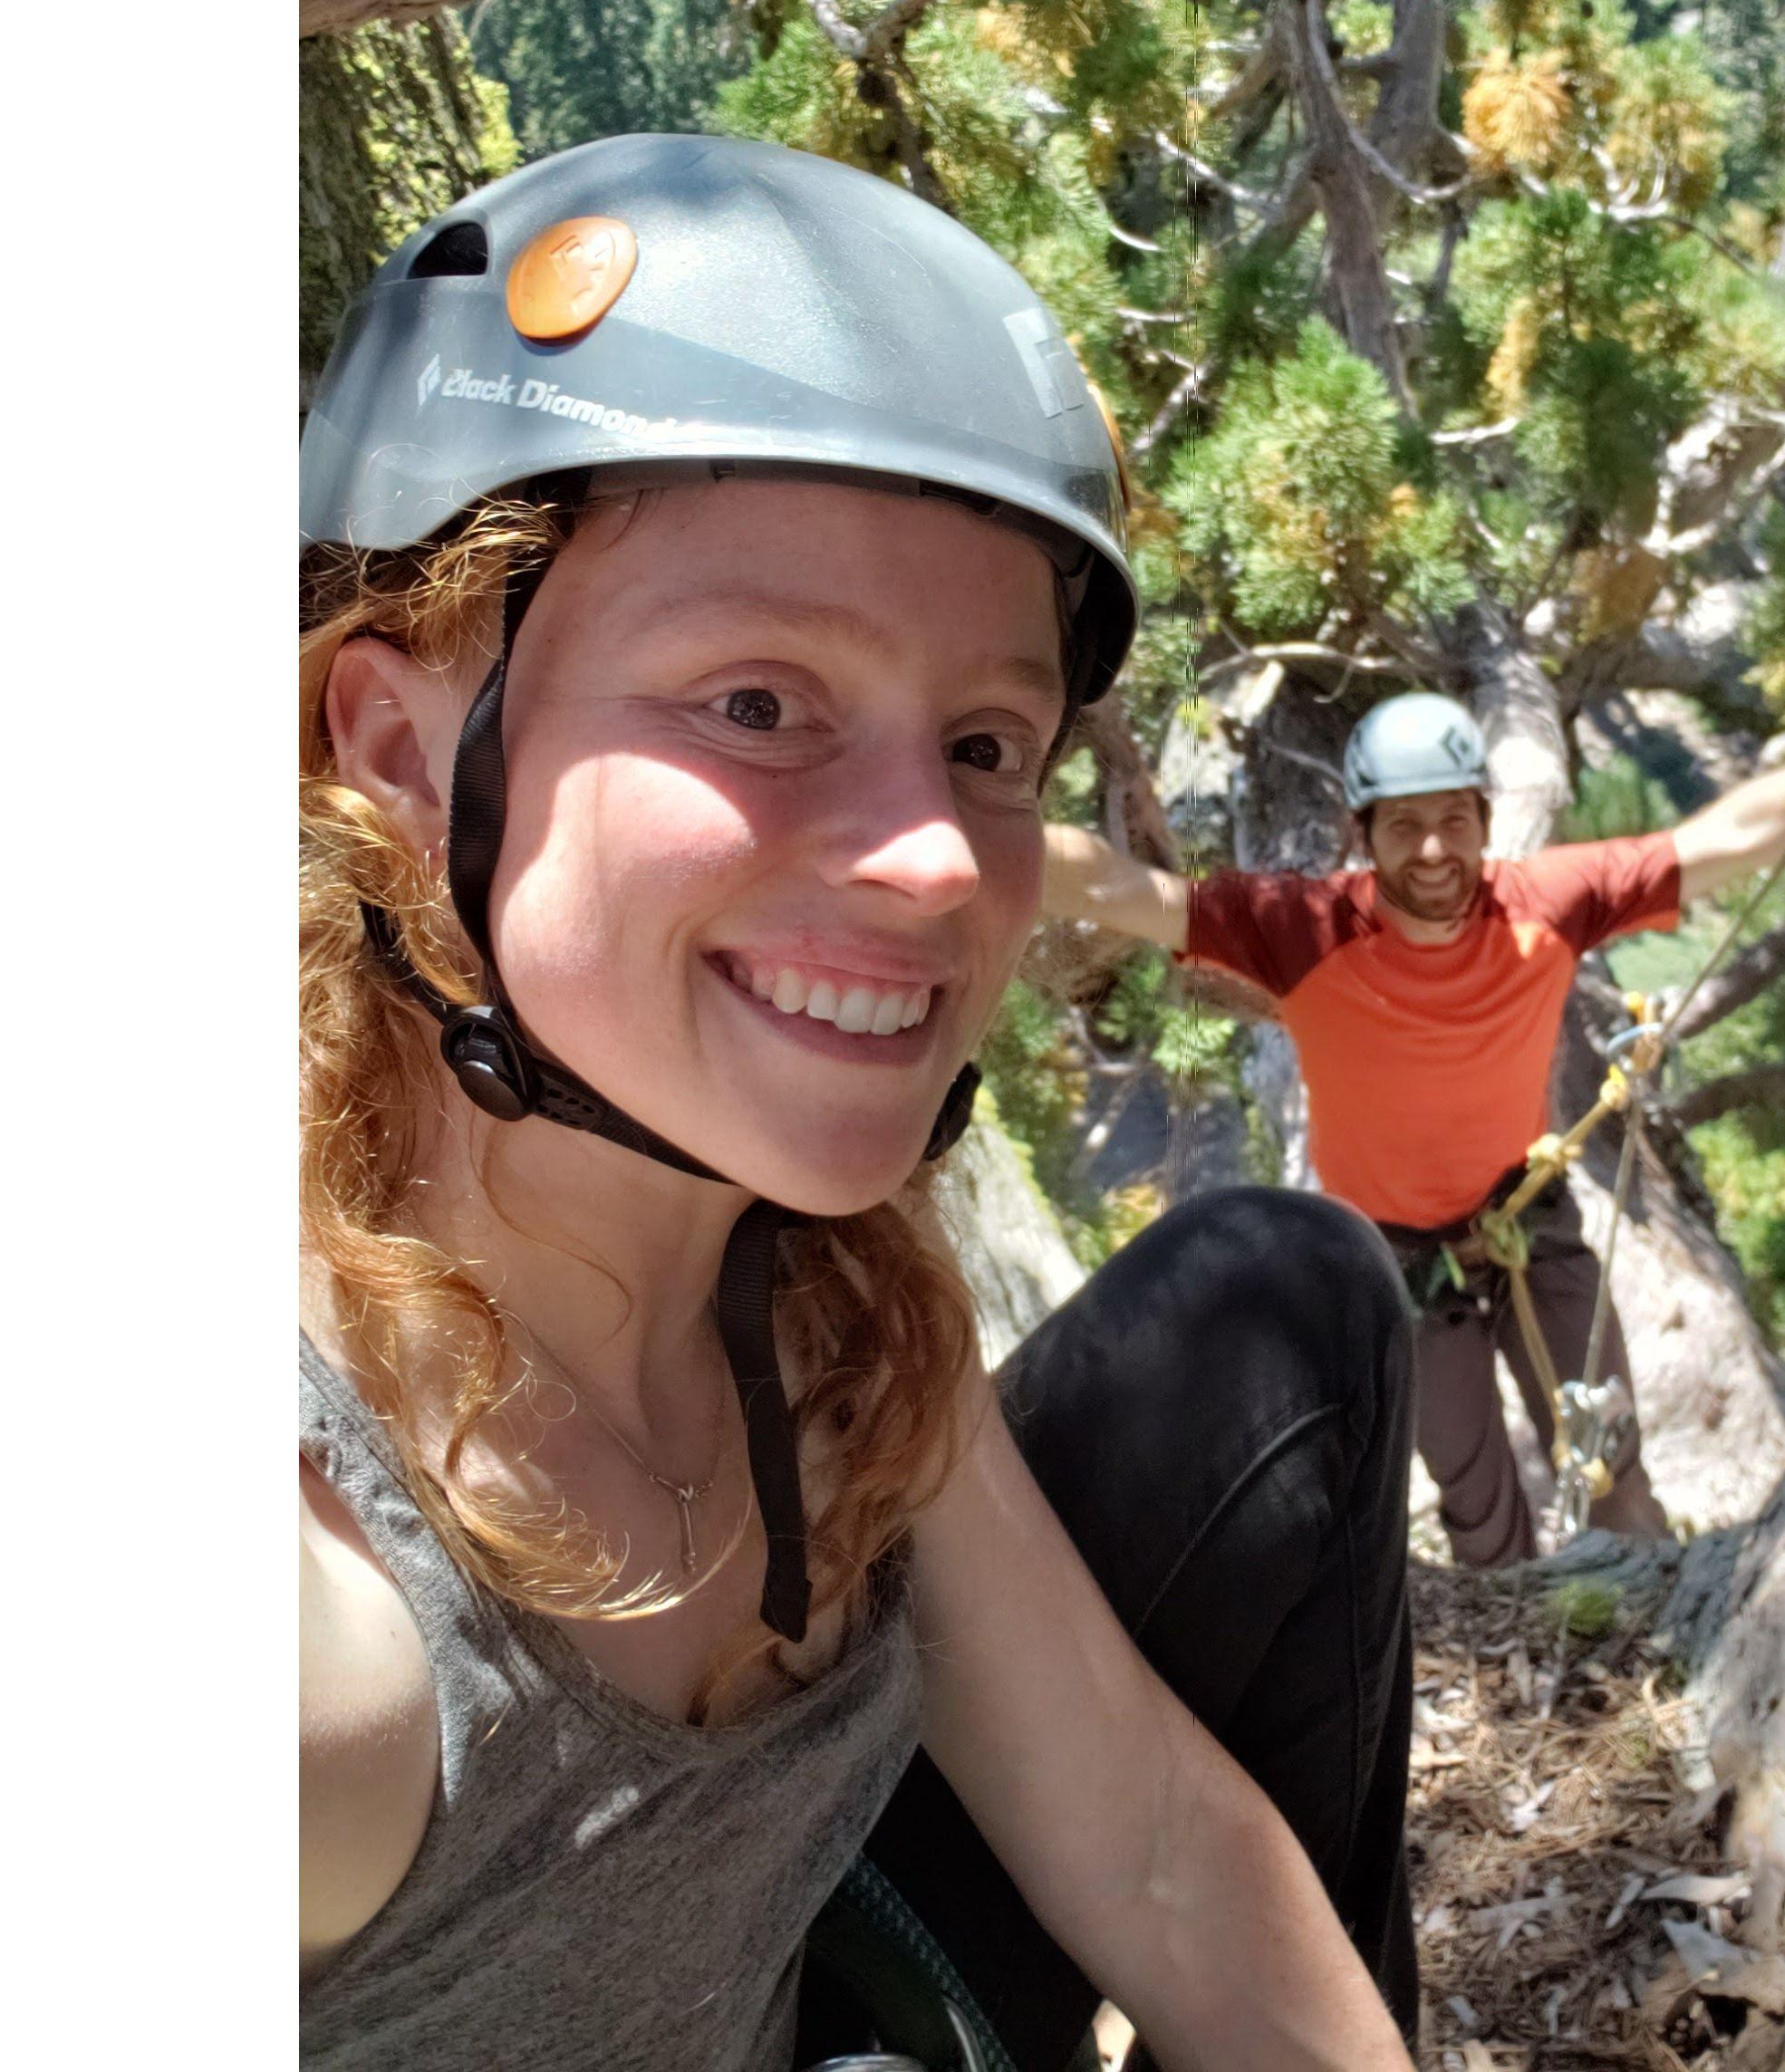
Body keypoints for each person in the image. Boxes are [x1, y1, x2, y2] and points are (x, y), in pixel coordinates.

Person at [297, 133, 1420, 2072]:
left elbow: (1158, 1851)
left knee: (1282, 1308)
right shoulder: (322, 1648)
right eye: (759, 704)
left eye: (987, 743)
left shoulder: (808, 1287)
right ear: (401, 752)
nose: (934, 859)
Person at [1041, 644, 1785, 1566]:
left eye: (1454, 820)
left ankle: (1641, 1627)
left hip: (1528, 1216)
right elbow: (1121, 888)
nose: (1434, 849)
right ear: (1362, 834)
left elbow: (1732, 836)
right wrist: (978, 823)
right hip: (1395, 1262)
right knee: (1476, 1505)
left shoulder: (1548, 904)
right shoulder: (1300, 929)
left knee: (1612, 1462)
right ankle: (1527, 1649)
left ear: (1484, 819)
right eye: (1404, 824)